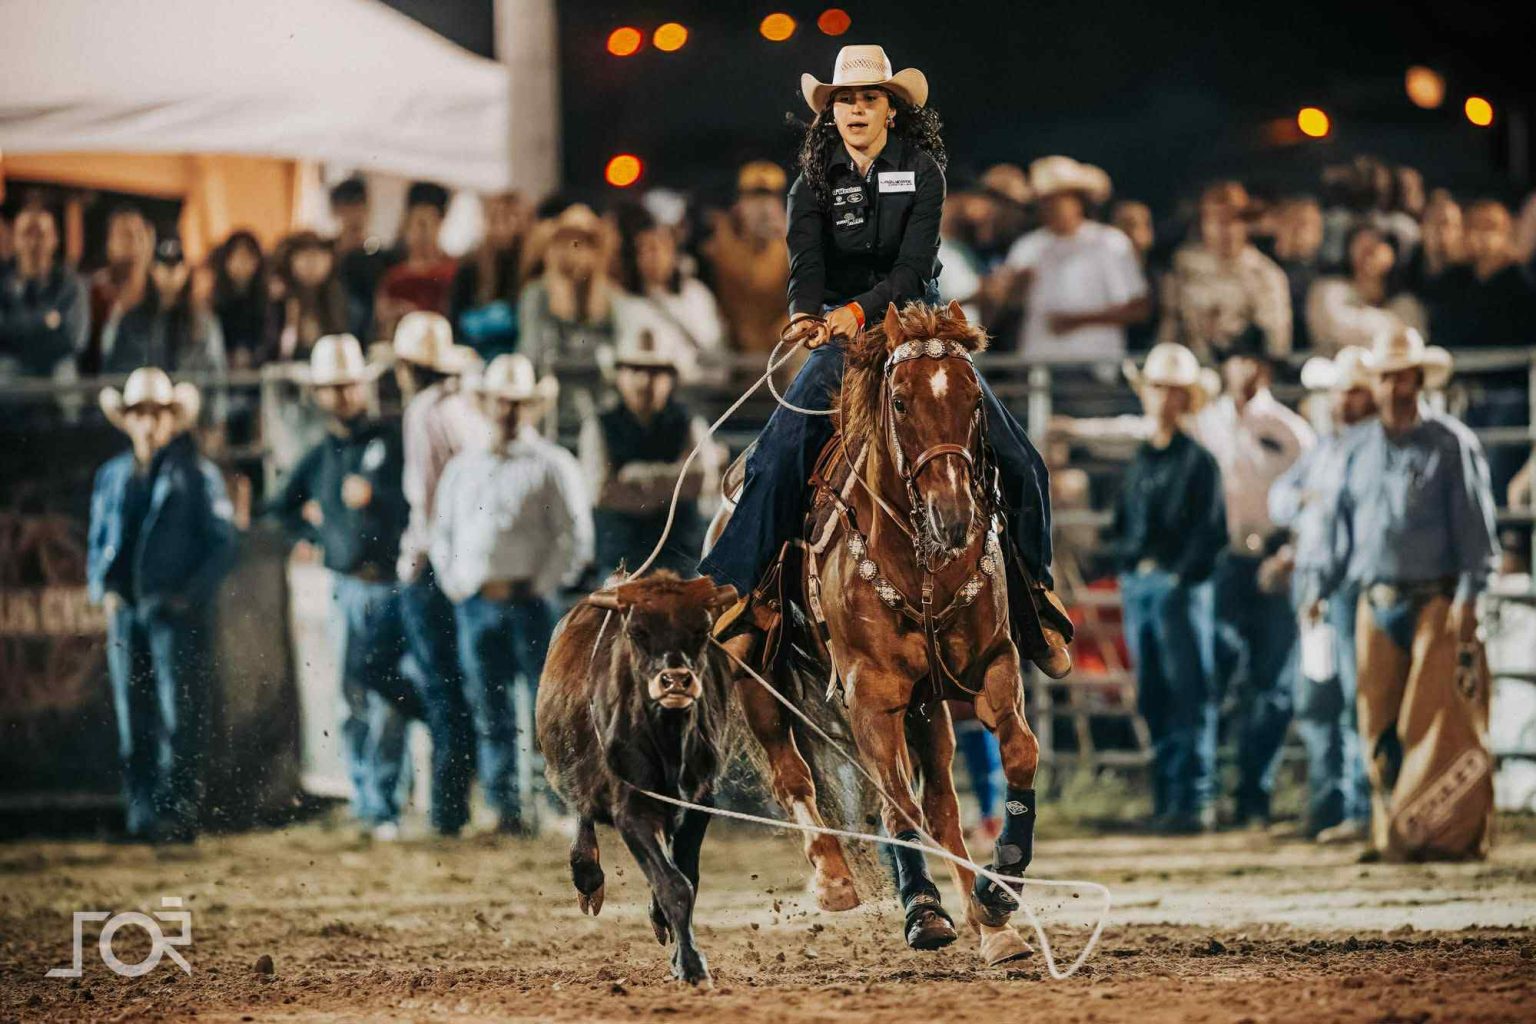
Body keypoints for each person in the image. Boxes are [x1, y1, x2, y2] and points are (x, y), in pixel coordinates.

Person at [698, 44, 1072, 678]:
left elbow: (913, 269)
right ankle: (738, 596)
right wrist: (804, 313)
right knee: (778, 449)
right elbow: (806, 265)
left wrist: (855, 311)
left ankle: (1034, 596)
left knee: (1019, 457)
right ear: (831, 112)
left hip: (918, 330)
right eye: (845, 100)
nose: (855, 109)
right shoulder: (810, 184)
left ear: (890, 110)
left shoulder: (924, 173)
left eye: (868, 99)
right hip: (842, 336)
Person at [1326, 327, 1499, 861]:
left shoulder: (1451, 444)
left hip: (1436, 600)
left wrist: (1468, 599)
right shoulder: (1356, 448)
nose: (1394, 387)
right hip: (1374, 596)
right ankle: (1395, 835)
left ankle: (1442, 836)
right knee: (1377, 724)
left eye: (1403, 377)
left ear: (1419, 380)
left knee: (1434, 721)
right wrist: (1326, 584)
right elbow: (1341, 525)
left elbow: (1475, 532)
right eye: (1386, 377)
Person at [432, 354, 593, 834]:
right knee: (491, 708)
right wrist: (458, 584)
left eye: (517, 402)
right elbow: (442, 532)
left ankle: (553, 805)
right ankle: (505, 807)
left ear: (531, 407)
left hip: (530, 601)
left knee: (546, 711)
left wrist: (541, 584)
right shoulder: (463, 467)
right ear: (486, 404)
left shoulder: (551, 464)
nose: (508, 410)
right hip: (478, 601)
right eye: (501, 401)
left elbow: (574, 536)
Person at [268, 335, 415, 840]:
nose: (342, 395)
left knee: (387, 700)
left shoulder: (393, 440)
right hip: (346, 585)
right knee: (352, 697)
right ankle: (367, 798)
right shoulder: (320, 455)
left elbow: (415, 499)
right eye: (333, 387)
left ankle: (384, 800)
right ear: (319, 394)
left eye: (349, 385)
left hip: (392, 584)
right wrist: (314, 536)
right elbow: (280, 507)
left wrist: (378, 497)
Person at [87, 368, 239, 842]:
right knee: (134, 718)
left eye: (157, 414)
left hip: (173, 615)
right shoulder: (113, 476)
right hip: (129, 612)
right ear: (128, 420)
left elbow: (224, 545)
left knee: (179, 717)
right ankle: (143, 816)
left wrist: (186, 599)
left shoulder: (196, 475)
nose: (149, 424)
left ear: (172, 419)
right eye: (140, 414)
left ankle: (178, 814)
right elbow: (98, 540)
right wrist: (104, 589)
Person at [1191, 332, 1314, 826]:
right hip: (1223, 559)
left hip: (1272, 558)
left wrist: (1289, 554)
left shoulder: (1290, 429)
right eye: (1235, 360)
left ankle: (1252, 792)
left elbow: (1313, 498)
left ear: (1263, 369)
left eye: (1250, 361)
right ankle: (1214, 789)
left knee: (1273, 683)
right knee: (1216, 672)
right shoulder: (1207, 420)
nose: (1242, 369)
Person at [1110, 343, 1226, 832]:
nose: (1162, 398)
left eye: (1172, 390)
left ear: (1186, 398)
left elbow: (1211, 532)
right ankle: (1170, 797)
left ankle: (1191, 799)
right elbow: (1123, 522)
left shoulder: (1198, 462)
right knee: (1156, 693)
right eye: (1157, 388)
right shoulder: (1143, 460)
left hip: (1177, 587)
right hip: (1145, 584)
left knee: (1187, 691)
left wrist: (1178, 576)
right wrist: (1130, 567)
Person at [1269, 347, 1377, 841]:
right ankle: (1329, 804)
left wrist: (1307, 504)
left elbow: (1337, 520)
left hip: (1343, 586)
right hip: (1318, 586)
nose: (1342, 400)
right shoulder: (1327, 448)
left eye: (1353, 390)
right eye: (1339, 390)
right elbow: (1279, 498)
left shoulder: (1370, 447)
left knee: (1354, 698)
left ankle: (1358, 807)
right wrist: (1305, 502)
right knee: (1318, 698)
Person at [393, 311, 481, 837]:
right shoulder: (464, 406)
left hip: (431, 563)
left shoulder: (424, 411)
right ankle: (456, 791)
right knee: (448, 683)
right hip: (461, 559)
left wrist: (416, 559)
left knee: (432, 682)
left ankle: (449, 809)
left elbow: (425, 496)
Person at [580, 331, 724, 579]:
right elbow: (602, 491)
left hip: (681, 561)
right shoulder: (599, 425)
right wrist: (673, 485)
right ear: (619, 375)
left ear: (671, 379)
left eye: (657, 371)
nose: (645, 381)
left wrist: (635, 477)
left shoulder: (689, 422)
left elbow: (703, 480)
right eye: (635, 370)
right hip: (621, 563)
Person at [1003, 157, 1150, 369]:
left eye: (1059, 199)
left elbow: (1138, 309)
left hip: (1095, 367)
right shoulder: (1027, 247)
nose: (1051, 207)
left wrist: (1076, 321)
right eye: (1045, 201)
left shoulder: (1110, 243)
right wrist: (1016, 287)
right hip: (1038, 367)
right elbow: (1009, 308)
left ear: (1079, 200)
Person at [1158, 185, 1292, 363]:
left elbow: (1276, 342)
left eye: (1234, 221)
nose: (1226, 230)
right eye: (1216, 221)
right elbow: (1169, 326)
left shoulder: (1266, 274)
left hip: (1245, 368)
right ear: (1203, 224)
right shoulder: (1182, 267)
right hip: (1189, 369)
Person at [614, 204, 727, 377]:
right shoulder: (624, 303)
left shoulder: (696, 295)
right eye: (647, 249)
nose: (655, 257)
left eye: (662, 248)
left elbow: (712, 348)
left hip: (694, 384)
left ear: (674, 253)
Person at [700, 162, 792, 354]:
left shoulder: (794, 248)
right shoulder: (717, 245)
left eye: (772, 198)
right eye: (755, 199)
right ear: (739, 206)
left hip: (782, 353)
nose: (765, 208)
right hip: (728, 352)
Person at [517, 203, 618, 369]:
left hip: (597, 381)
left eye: (584, 243)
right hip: (550, 379)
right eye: (566, 242)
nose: (574, 251)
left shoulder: (611, 297)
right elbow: (530, 354)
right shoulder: (536, 293)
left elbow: (618, 353)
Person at [1306, 224, 1426, 354]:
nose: (1368, 253)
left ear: (1392, 254)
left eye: (1376, 245)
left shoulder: (1406, 303)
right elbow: (1339, 329)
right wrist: (1392, 324)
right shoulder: (1327, 291)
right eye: (1361, 246)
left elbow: (1412, 340)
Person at [0, 206, 88, 379]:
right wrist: (44, 322)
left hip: (56, 367)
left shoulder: (71, 284)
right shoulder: (2, 283)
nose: (34, 243)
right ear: (15, 239)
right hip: (11, 366)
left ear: (54, 239)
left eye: (41, 234)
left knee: (65, 373)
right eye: (26, 234)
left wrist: (19, 331)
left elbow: (75, 339)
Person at [450, 191, 530, 359]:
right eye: (495, 218)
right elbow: (454, 319)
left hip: (516, 355)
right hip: (474, 353)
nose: (501, 227)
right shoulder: (470, 265)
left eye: (508, 218)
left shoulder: (529, 266)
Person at [376, 181, 458, 340]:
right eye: (419, 224)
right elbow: (383, 325)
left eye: (429, 223)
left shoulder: (454, 272)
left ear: (440, 224)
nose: (423, 233)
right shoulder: (394, 277)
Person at [86, 205, 155, 374]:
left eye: (139, 234)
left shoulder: (160, 294)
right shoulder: (94, 293)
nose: (134, 242)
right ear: (109, 244)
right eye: (125, 235)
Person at [330, 176, 399, 342]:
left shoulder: (381, 257)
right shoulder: (326, 254)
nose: (355, 215)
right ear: (336, 210)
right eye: (348, 208)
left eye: (360, 207)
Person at [264, 231, 348, 364]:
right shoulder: (279, 300)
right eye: (304, 256)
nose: (312, 264)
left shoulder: (338, 297)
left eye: (318, 256)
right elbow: (273, 350)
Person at [1271, 196, 1324, 352]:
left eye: (1306, 224)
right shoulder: (1260, 268)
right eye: (1291, 222)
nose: (1299, 231)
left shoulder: (1327, 273)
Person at [209, 230, 268, 370]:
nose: (242, 263)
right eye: (236, 257)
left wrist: (253, 356)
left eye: (248, 257)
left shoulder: (267, 299)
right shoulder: (213, 300)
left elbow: (269, 339)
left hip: (259, 368)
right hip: (221, 367)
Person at [1111, 199, 1159, 352]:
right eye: (1127, 224)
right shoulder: (1099, 276)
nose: (1134, 232)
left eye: (1145, 224)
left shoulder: (1160, 277)